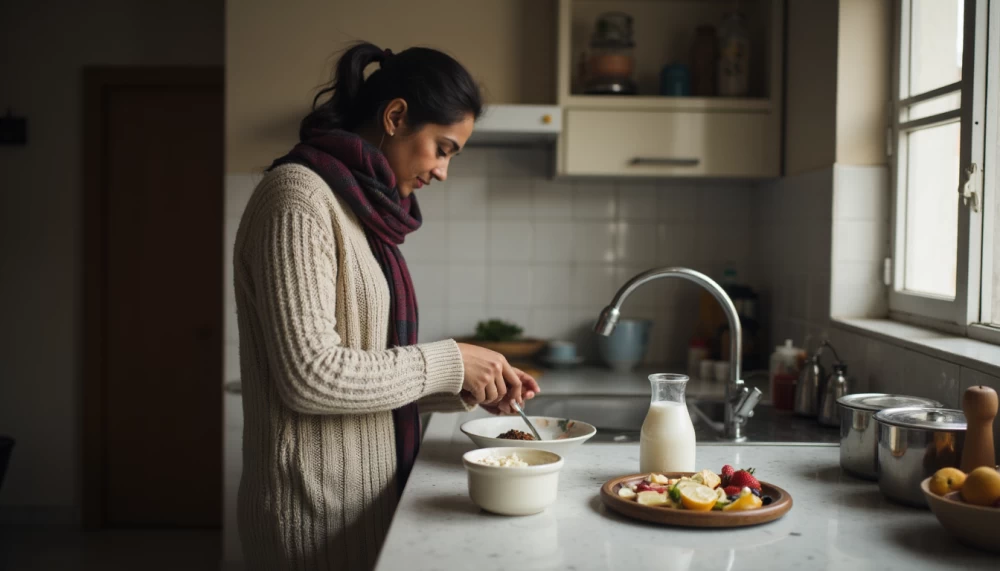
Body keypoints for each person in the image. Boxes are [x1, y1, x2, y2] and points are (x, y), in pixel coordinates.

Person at [232, 42, 541, 571]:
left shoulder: (361, 213)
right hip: (313, 523)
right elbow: (310, 376)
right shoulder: (298, 198)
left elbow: (361, 376)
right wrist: (449, 361)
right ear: (396, 117)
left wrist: (459, 383)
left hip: (365, 509)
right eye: (442, 148)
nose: (443, 172)